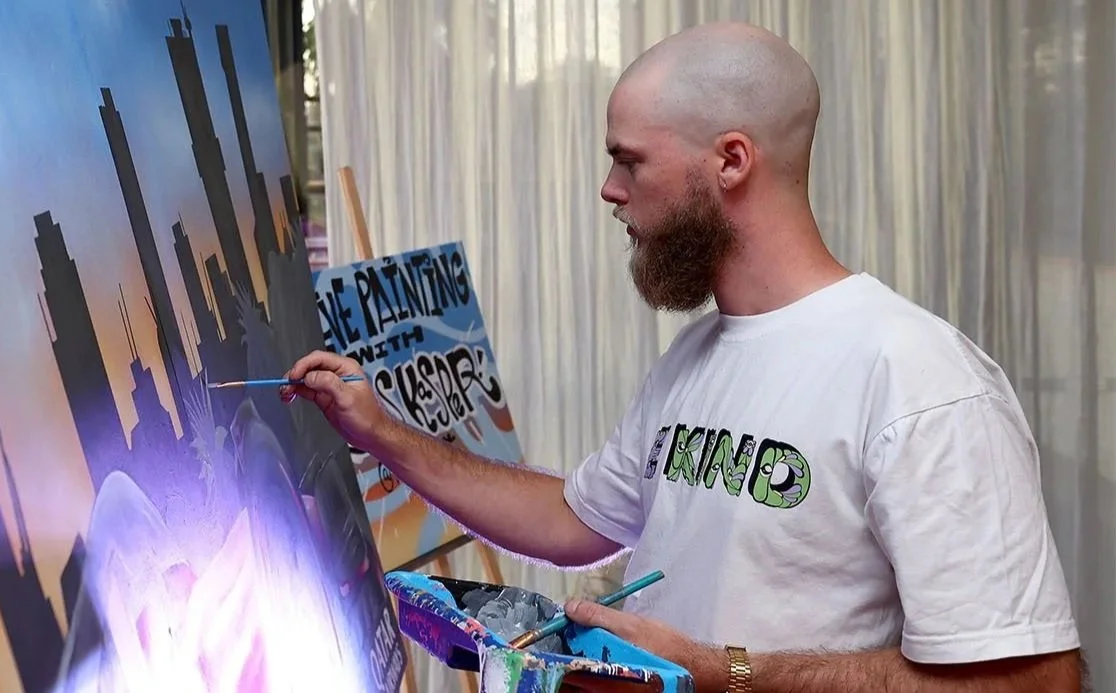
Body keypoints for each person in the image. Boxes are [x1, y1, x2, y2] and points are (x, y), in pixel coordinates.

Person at [281, 20, 1086, 693]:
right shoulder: (698, 352)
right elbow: (572, 519)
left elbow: (1038, 679)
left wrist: (720, 671)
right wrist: (382, 432)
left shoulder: (918, 377)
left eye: (630, 159)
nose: (609, 188)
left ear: (730, 161)